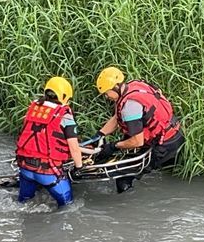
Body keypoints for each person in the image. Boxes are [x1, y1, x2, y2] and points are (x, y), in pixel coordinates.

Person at [91, 67, 185, 193]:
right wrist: (99, 134)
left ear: (116, 87)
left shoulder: (130, 106)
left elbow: (137, 141)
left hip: (165, 144)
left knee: (123, 177)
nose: (107, 97)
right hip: (174, 131)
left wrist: (113, 146)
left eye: (106, 93)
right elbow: (117, 118)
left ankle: (127, 206)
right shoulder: (133, 86)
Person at [15, 77, 84, 207]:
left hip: (25, 169)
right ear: (64, 96)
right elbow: (74, 148)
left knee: (22, 203)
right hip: (48, 173)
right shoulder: (65, 116)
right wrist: (79, 167)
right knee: (68, 207)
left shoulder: (33, 108)